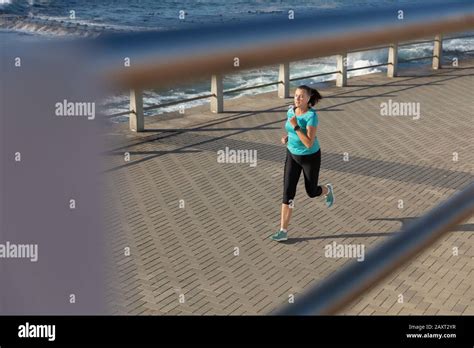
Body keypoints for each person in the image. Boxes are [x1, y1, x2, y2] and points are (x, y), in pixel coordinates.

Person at [270, 85, 334, 242]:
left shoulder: (311, 116)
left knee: (311, 192)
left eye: (301, 96)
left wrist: (296, 126)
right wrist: (287, 137)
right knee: (287, 193)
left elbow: (308, 143)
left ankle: (327, 190)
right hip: (292, 155)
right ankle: (283, 230)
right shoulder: (291, 111)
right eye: (296, 95)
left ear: (308, 99)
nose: (297, 99)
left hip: (309, 157)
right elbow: (291, 129)